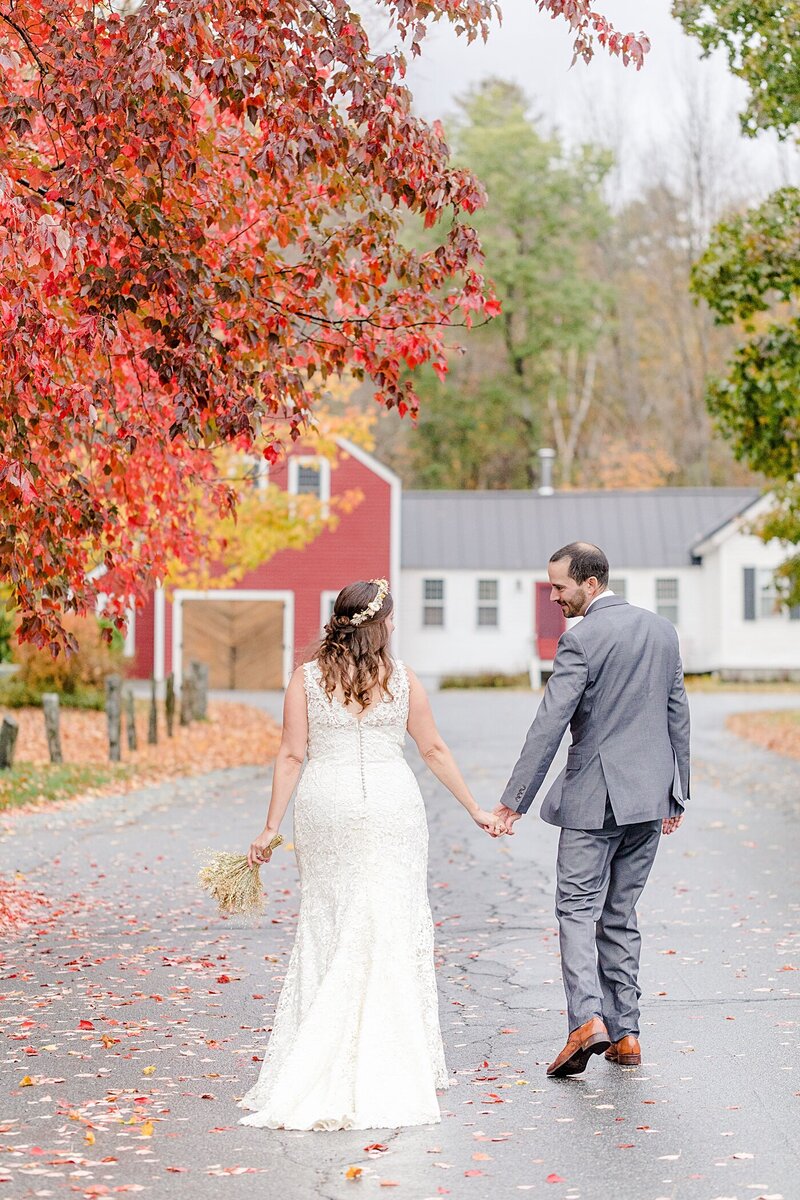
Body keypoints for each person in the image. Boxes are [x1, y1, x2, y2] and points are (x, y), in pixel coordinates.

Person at [238, 578, 503, 1131]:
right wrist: (475, 807)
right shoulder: (402, 680)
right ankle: (389, 1051)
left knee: (331, 921)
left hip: (325, 804)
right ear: (383, 625)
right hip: (390, 805)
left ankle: (320, 1044)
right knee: (387, 917)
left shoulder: (306, 680)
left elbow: (291, 755)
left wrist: (269, 827)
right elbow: (432, 749)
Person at [493, 543, 690, 1077]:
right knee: (620, 914)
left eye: (559, 586)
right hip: (650, 798)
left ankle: (587, 1022)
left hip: (594, 799)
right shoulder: (661, 631)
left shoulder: (580, 640)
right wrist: (678, 792)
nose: (553, 595)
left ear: (591, 582)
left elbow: (549, 725)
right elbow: (678, 715)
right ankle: (627, 1034)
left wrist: (513, 801)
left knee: (577, 910)